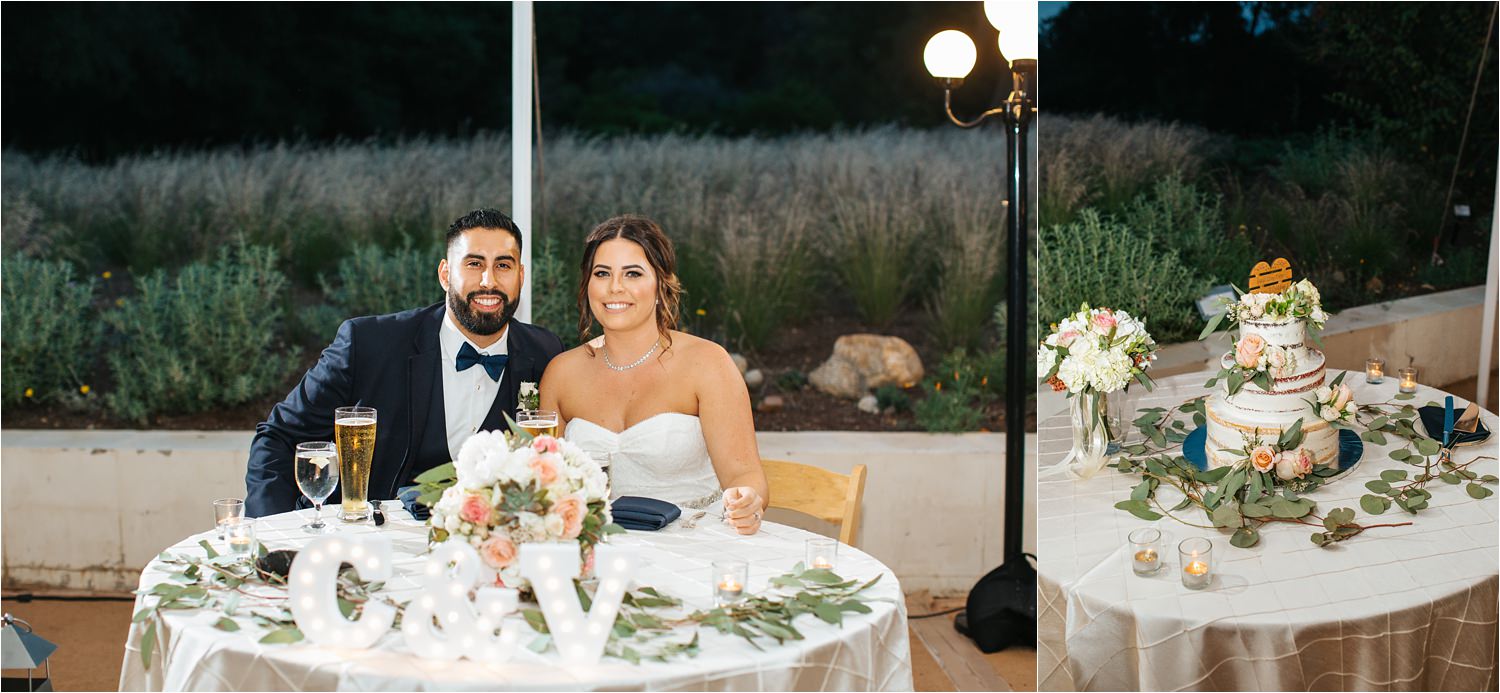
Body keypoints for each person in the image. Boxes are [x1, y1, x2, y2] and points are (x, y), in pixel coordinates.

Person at [244, 209, 564, 517]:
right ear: (445, 274)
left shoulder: (545, 353)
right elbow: (279, 437)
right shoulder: (368, 343)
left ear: (521, 276)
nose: (488, 281)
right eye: (473, 263)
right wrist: (276, 540)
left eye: (503, 266)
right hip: (373, 547)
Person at [539, 214, 769, 535]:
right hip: (598, 549)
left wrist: (746, 500)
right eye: (602, 273)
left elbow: (745, 476)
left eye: (633, 273)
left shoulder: (707, 363)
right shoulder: (561, 373)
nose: (615, 287)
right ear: (587, 284)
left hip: (699, 544)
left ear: (662, 284)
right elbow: (543, 480)